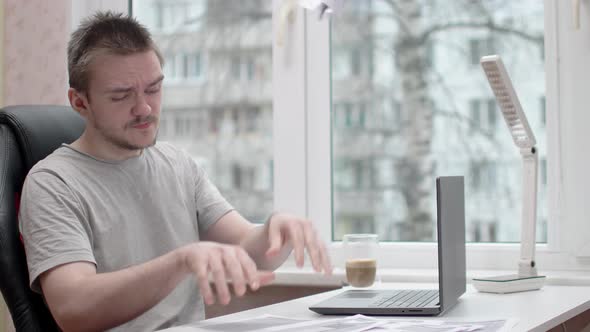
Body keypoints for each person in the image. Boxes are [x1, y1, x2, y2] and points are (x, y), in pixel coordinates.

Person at [19, 11, 332, 332]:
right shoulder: (52, 184)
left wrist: (275, 230)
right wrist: (180, 262)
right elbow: (73, 309)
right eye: (122, 95)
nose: (144, 108)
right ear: (79, 102)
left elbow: (251, 254)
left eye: (153, 89)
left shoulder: (176, 163)